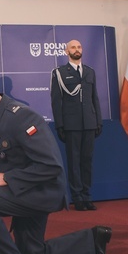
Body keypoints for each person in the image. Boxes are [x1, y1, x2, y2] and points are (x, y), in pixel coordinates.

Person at [0, 75, 112, 254]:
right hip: (26, 188)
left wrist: (5, 177)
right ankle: (92, 242)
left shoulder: (20, 118)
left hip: (42, 191)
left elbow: (50, 167)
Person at [50, 39, 103, 211]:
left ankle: (87, 196)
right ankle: (77, 197)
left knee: (87, 161)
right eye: (73, 47)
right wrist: (60, 125)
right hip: (71, 124)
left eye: (79, 46)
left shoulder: (90, 72)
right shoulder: (59, 73)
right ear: (66, 51)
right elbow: (56, 101)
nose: (77, 49)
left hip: (89, 122)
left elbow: (94, 98)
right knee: (74, 161)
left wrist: (98, 121)